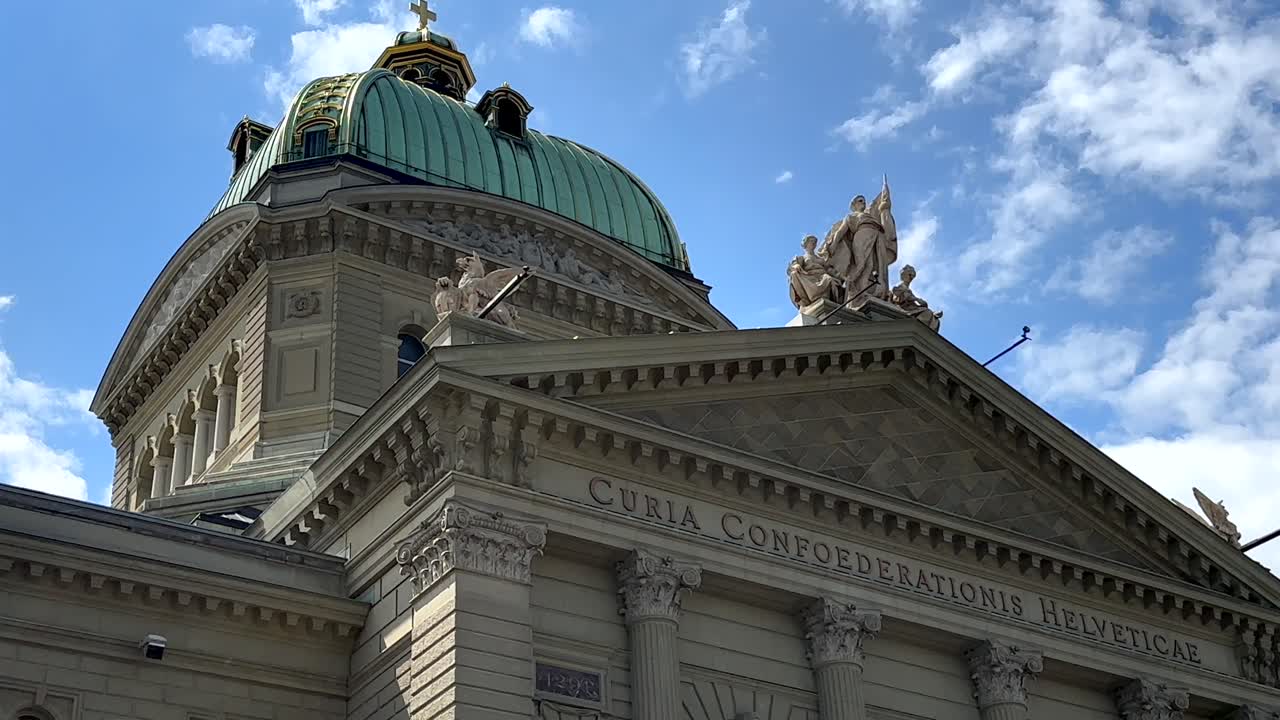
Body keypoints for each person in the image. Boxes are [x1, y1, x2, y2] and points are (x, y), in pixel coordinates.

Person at [788, 235, 840, 309]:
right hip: (809, 278)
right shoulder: (802, 258)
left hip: (822, 276)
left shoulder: (820, 258)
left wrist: (841, 276)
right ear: (806, 244)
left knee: (828, 278)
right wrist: (796, 266)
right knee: (794, 274)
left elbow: (829, 269)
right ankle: (809, 299)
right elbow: (792, 267)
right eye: (811, 241)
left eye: (815, 242)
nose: (814, 243)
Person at [889, 264, 943, 331]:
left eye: (911, 275)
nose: (910, 278)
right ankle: (914, 329)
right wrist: (914, 299)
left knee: (935, 320)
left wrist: (920, 302)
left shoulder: (908, 290)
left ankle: (921, 332)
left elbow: (916, 303)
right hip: (903, 309)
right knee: (927, 313)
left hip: (911, 309)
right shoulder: (899, 287)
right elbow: (897, 299)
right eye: (908, 275)